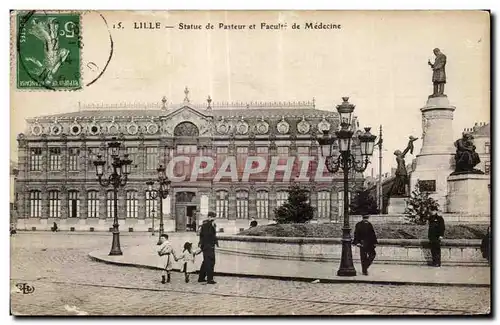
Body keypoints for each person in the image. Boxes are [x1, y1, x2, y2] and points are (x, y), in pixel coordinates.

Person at [198, 212, 219, 284]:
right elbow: (206, 236)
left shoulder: (211, 225)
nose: (214, 219)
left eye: (214, 217)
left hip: (207, 246)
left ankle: (201, 277)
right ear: (209, 217)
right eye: (213, 217)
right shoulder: (206, 225)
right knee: (210, 262)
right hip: (208, 246)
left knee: (205, 262)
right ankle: (210, 279)